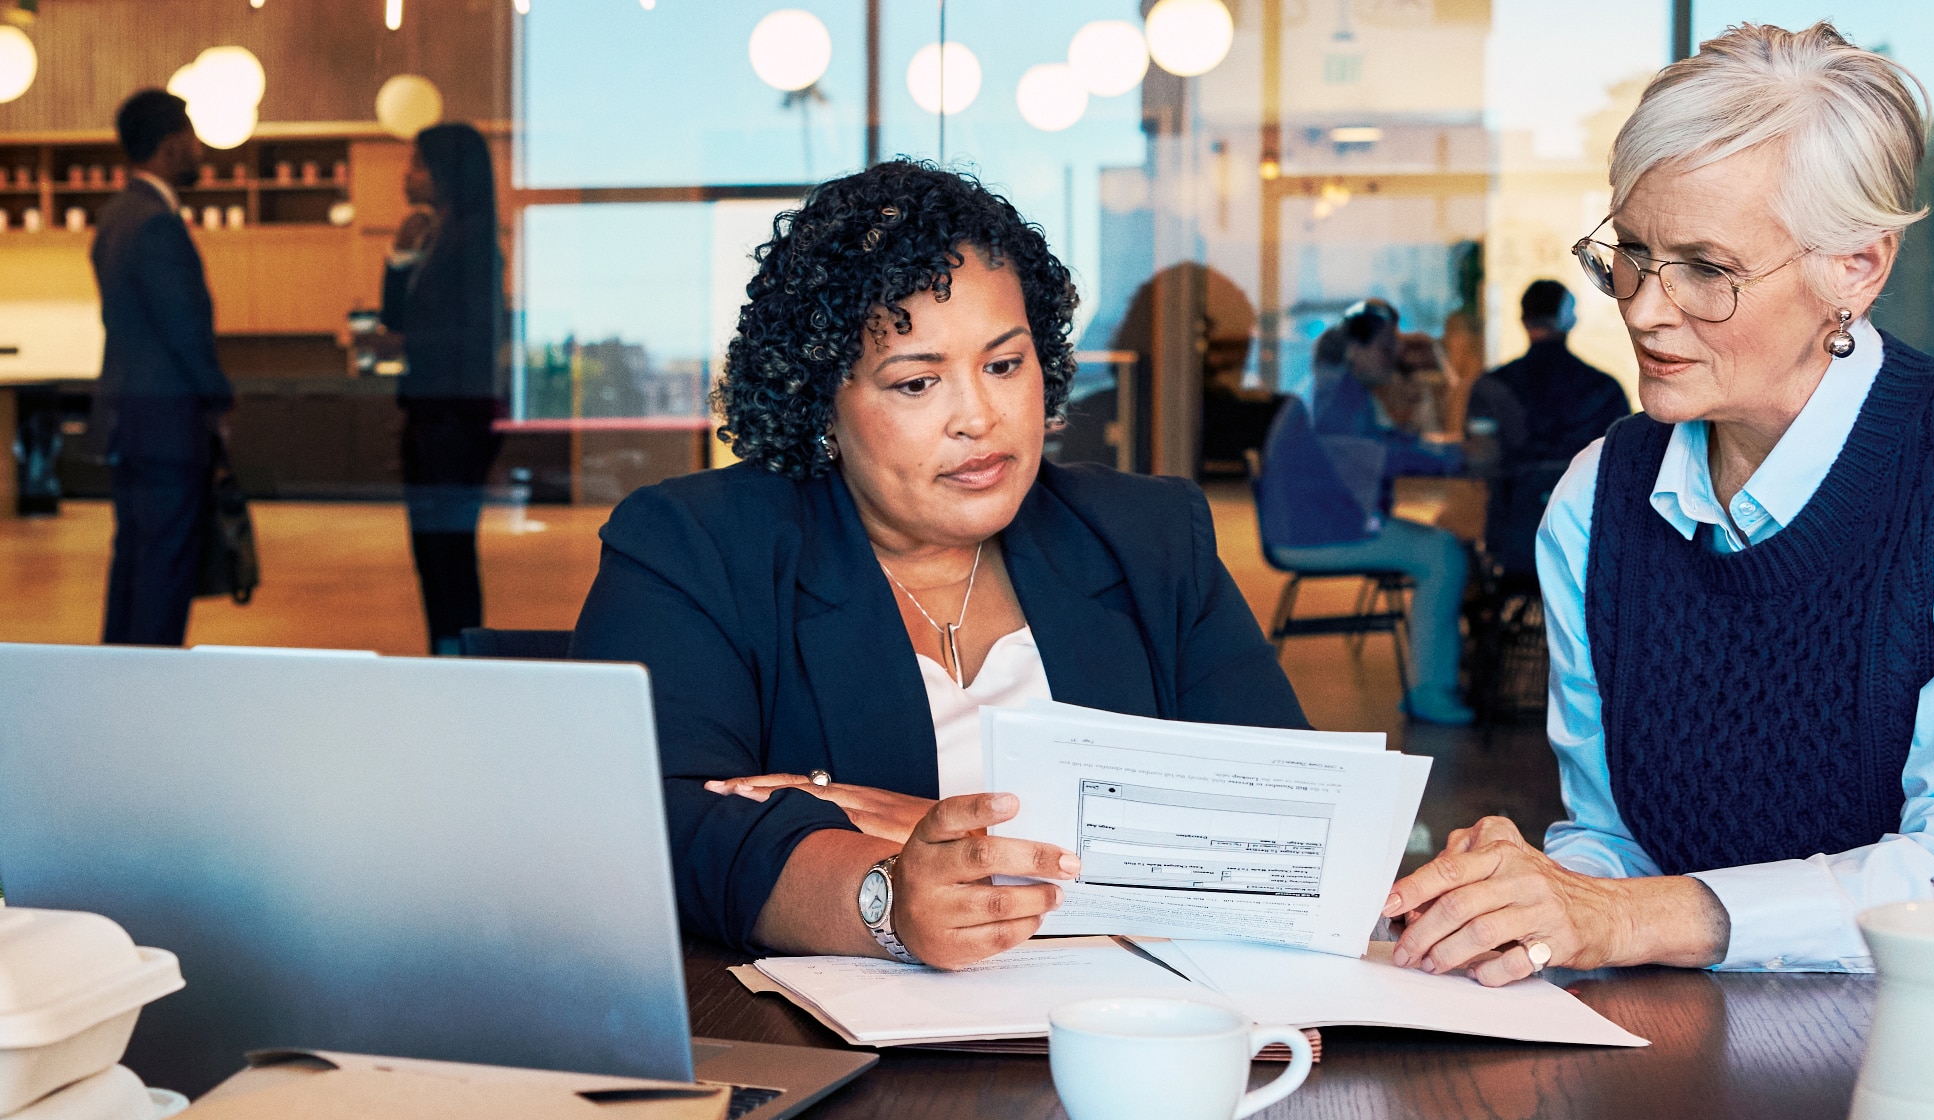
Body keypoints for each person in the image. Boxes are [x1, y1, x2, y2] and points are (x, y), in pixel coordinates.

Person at [1383, 22, 1934, 986]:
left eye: (1707, 269)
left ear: (1856, 270)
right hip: (1710, 1046)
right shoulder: (1596, 501)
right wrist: (1533, 901)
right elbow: (1619, 843)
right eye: (1631, 252)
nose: (1645, 308)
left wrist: (1620, 916)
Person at [571, 161, 1307, 968]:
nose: (980, 418)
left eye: (1003, 365)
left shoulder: (1152, 537)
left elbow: (1290, 833)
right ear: (821, 403)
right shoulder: (694, 547)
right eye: (918, 381)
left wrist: (947, 828)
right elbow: (649, 828)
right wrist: (884, 893)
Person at [1257, 299, 1476, 726]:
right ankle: (1430, 691)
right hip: (1316, 531)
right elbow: (1381, 456)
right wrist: (1457, 456)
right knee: (1444, 554)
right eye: (1385, 347)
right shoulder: (1340, 397)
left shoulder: (1334, 388)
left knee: (1441, 547)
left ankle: (1434, 681)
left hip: (1312, 522)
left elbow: (1374, 448)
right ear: (1355, 350)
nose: (1393, 357)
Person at [91, 90, 232, 646]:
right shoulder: (157, 225)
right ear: (172, 146)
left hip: (129, 419)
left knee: (133, 562)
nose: (199, 150)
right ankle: (148, 695)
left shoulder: (115, 217)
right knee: (163, 573)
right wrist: (219, 400)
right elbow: (185, 332)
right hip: (167, 424)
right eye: (193, 139)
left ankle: (120, 690)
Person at [381, 123, 504, 656]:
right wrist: (398, 259)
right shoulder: (437, 235)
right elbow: (396, 315)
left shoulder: (472, 243)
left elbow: (468, 336)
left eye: (419, 164)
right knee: (436, 552)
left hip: (451, 419)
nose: (407, 175)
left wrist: (410, 344)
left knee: (446, 553)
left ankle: (457, 658)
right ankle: (449, 655)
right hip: (438, 415)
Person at [1468, 280, 1631, 580]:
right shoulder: (1602, 388)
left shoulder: (1492, 386)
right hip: (1587, 538)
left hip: (1511, 536)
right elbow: (1625, 464)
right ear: (1567, 318)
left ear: (1523, 319)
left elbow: (1481, 458)